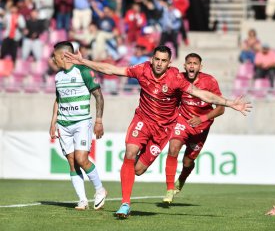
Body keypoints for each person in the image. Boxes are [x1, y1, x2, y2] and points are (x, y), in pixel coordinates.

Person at [64, 45, 252, 219]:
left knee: (138, 170)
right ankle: (125, 204)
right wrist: (84, 61)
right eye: (157, 59)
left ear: (169, 63)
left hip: (163, 129)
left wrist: (228, 103)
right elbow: (112, 69)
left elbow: (201, 93)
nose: (159, 63)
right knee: (130, 153)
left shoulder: (176, 78)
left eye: (164, 60)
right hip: (143, 120)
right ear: (152, 59)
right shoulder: (142, 69)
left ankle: (135, 175)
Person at [49, 41, 107, 210]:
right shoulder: (58, 77)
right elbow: (58, 100)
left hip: (82, 122)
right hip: (63, 125)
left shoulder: (83, 71)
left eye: (54, 56)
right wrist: (53, 122)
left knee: (82, 159)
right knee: (72, 162)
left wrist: (98, 120)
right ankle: (82, 200)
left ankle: (100, 190)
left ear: (63, 56)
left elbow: (99, 96)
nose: (53, 60)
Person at [162, 53, 225, 203]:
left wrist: (202, 119)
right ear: (184, 65)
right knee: (173, 148)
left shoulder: (209, 81)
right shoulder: (179, 78)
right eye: (189, 63)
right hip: (183, 121)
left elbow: (221, 108)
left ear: (200, 67)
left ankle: (182, 178)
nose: (191, 65)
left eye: (195, 63)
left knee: (187, 162)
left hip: (201, 127)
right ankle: (170, 188)